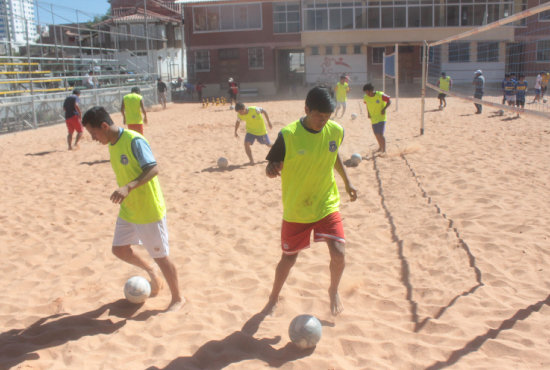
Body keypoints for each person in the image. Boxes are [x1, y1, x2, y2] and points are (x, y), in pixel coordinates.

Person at [263, 86, 357, 316]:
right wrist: (272, 169)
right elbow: (270, 167)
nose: (323, 121)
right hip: (297, 209)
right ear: (306, 109)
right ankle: (273, 298)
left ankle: (333, 290)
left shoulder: (336, 131)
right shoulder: (288, 135)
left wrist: (347, 182)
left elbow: (334, 156)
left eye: (327, 117)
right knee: (288, 258)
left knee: (339, 253)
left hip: (326, 202)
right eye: (319, 116)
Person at [81, 106, 184, 312]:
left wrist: (128, 186)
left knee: (161, 256)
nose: (93, 138)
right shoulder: (112, 143)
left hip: (148, 209)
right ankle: (150, 270)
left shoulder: (134, 140)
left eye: (93, 133)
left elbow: (153, 168)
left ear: (103, 126)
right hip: (129, 208)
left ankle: (178, 299)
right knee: (119, 249)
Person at [362, 83, 391, 154]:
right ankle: (380, 147)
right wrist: (368, 113)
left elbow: (389, 101)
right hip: (373, 118)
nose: (366, 93)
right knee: (376, 134)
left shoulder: (380, 95)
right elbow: (367, 105)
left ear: (371, 90)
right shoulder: (365, 97)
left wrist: (384, 109)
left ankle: (384, 150)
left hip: (381, 118)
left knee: (380, 135)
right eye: (365, 92)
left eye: (367, 92)